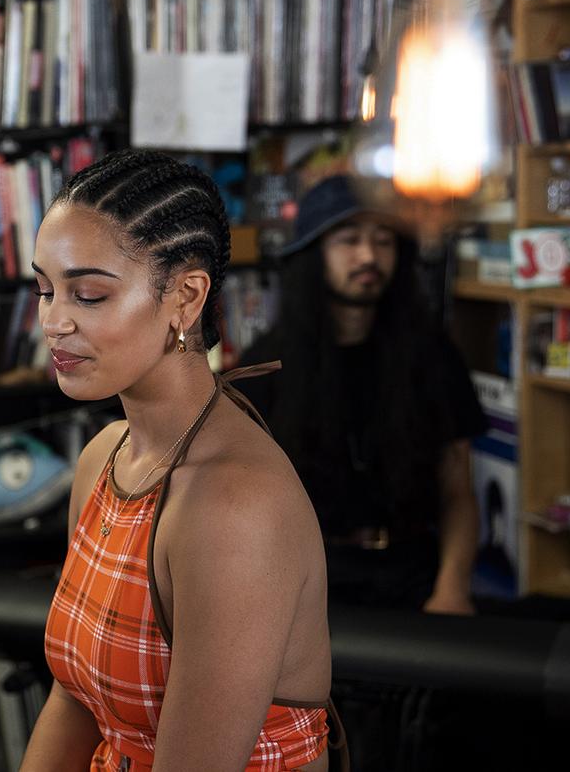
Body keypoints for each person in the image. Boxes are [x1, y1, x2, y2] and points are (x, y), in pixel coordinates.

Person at [20, 150, 334, 772]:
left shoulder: (234, 507)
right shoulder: (103, 458)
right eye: (45, 290)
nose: (54, 321)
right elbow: (76, 698)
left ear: (186, 297)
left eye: (87, 294)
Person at [233, 175, 486, 772]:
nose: (369, 257)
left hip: (414, 575)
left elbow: (458, 491)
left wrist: (452, 589)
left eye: (384, 241)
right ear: (312, 253)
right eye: (348, 240)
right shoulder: (267, 368)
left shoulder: (431, 355)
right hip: (314, 587)